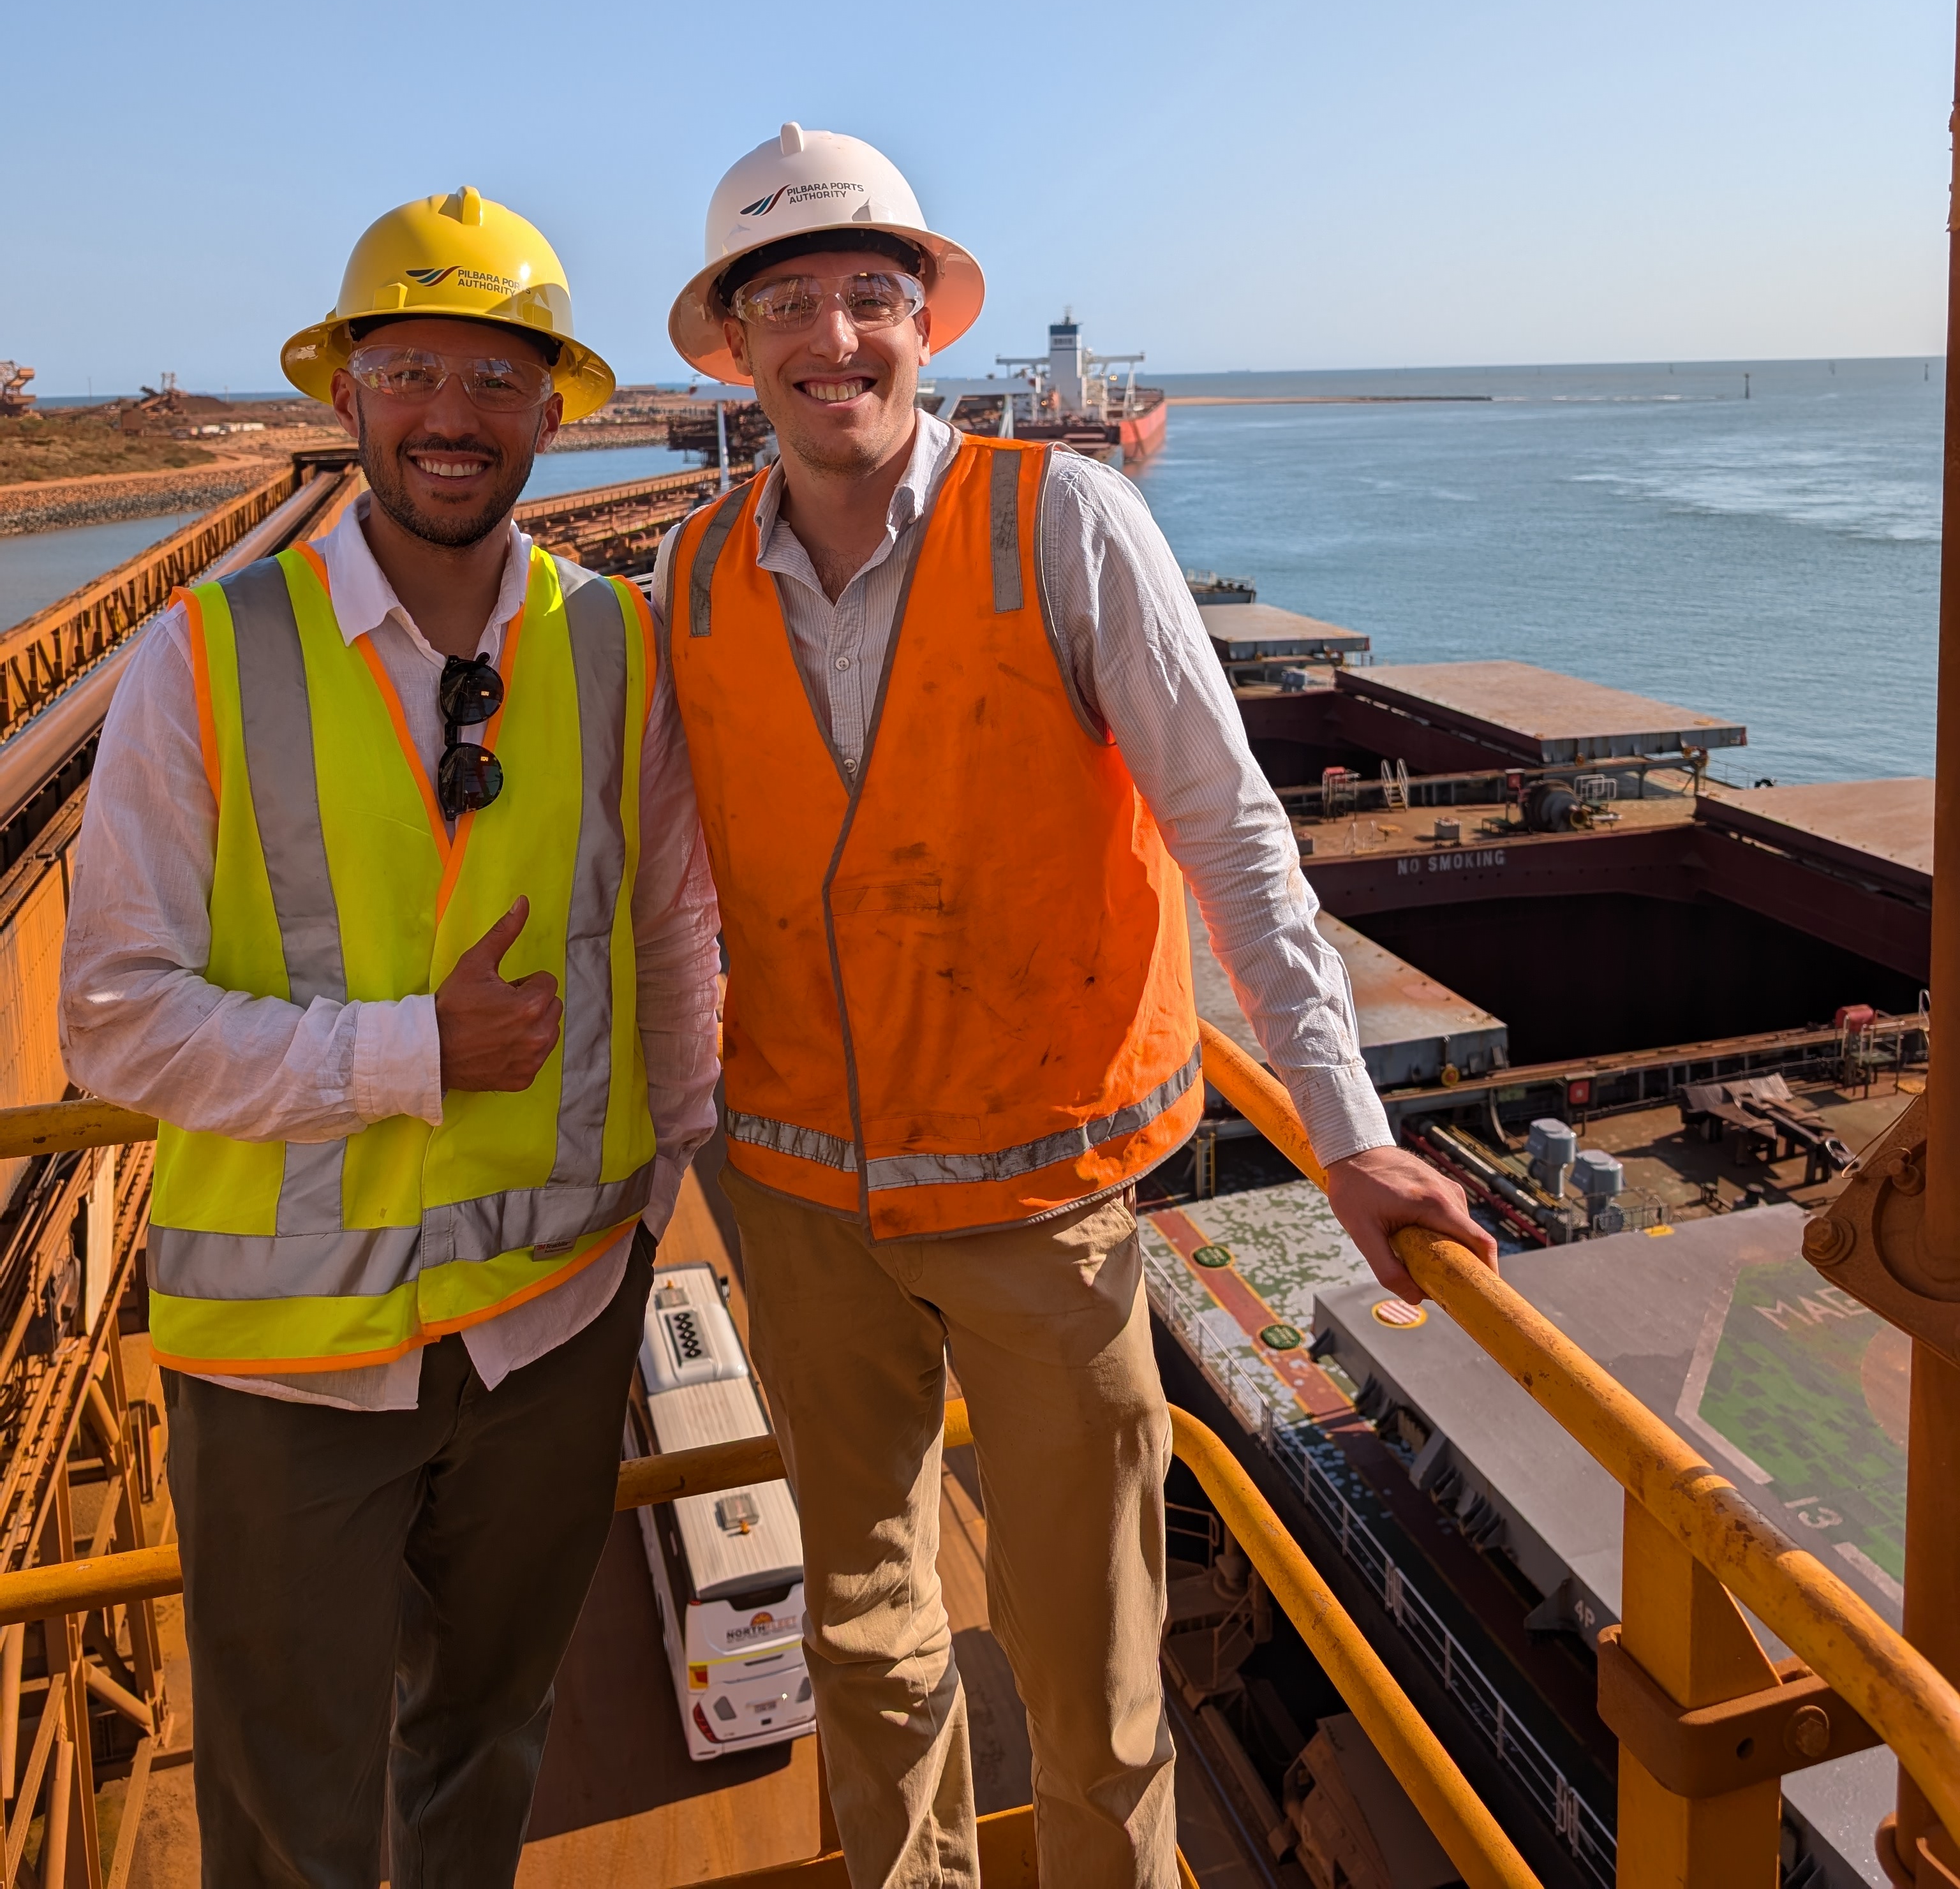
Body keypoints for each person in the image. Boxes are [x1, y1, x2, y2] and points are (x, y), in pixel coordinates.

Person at [657, 124, 1497, 1889]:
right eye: (788, 302)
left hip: (1046, 1214)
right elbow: (673, 892)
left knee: (1099, 1679)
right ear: (734, 350)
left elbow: (1233, 836)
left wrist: (1350, 1134)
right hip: (800, 1210)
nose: (834, 339)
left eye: (869, 297)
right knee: (867, 1644)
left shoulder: (1063, 522)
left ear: (929, 325)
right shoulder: (692, 577)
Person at [60, 187, 720, 1888]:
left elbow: (669, 933)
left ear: (556, 411)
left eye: (497, 381)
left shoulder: (612, 641)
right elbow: (113, 1021)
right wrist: (408, 1055)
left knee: (484, 1756)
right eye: (413, 371)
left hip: (558, 1327)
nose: (452, 416)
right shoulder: (202, 660)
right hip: (290, 1368)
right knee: (292, 1819)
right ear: (343, 399)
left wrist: (659, 1204)